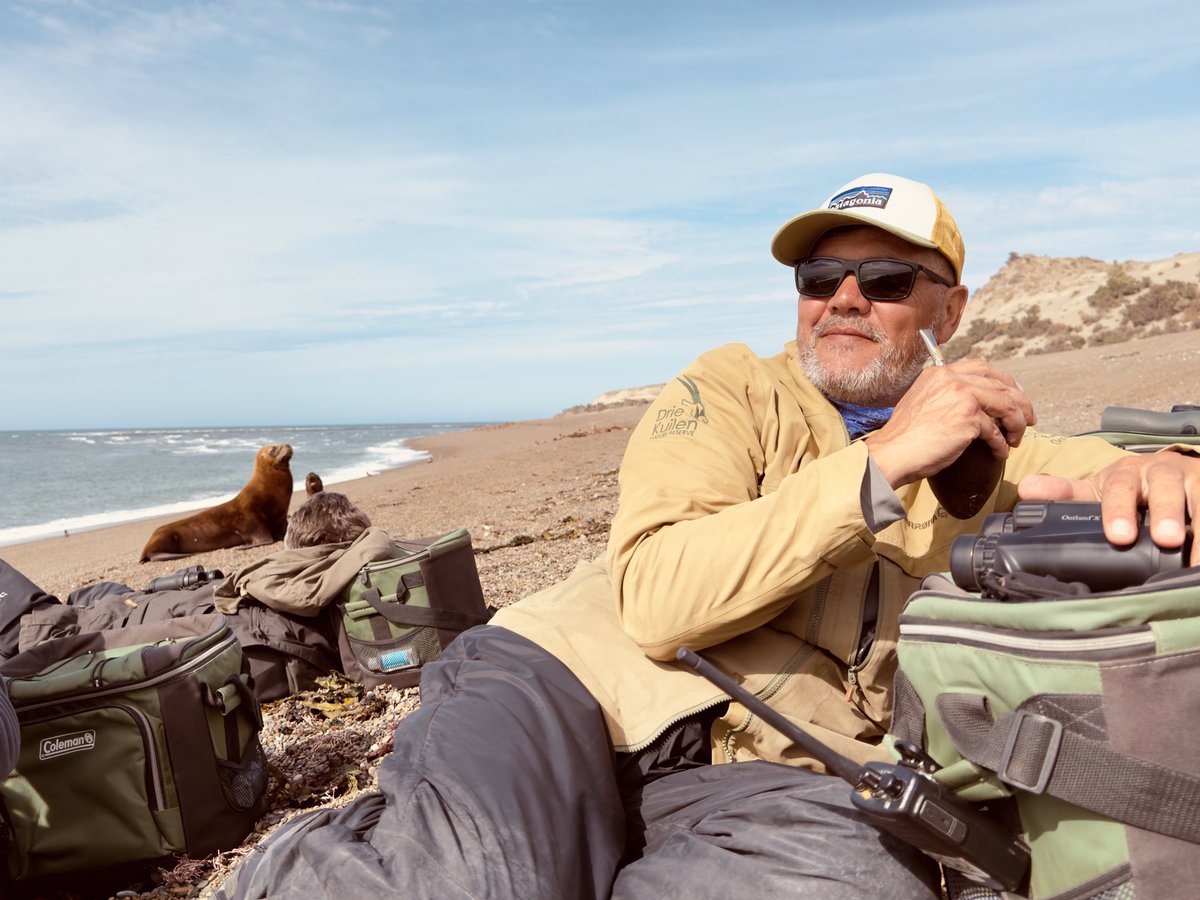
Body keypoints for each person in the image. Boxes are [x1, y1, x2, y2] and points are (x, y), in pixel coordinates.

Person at [218, 173, 1199, 900]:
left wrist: (1157, 475)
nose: (844, 299)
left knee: (852, 890)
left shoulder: (997, 447)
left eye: (887, 277)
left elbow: (1111, 467)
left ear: (953, 309)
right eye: (821, 277)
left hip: (786, 772)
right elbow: (656, 600)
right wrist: (882, 463)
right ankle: (308, 865)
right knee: (478, 881)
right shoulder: (727, 390)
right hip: (570, 686)